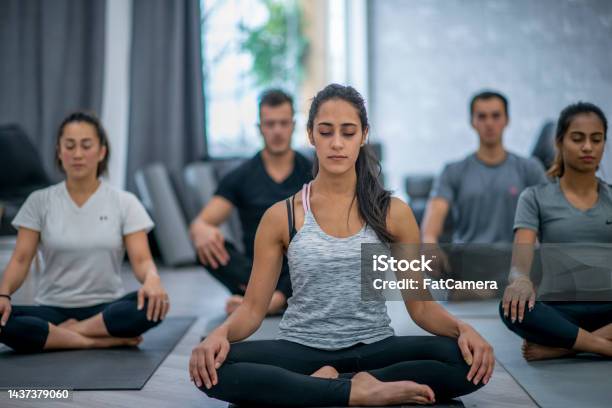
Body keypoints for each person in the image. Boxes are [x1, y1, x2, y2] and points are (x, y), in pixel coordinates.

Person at [189, 84, 494, 407]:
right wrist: (219, 335)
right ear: (310, 135)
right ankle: (357, 391)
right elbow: (252, 309)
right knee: (214, 367)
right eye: (326, 132)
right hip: (302, 348)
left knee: (464, 359)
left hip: (375, 347)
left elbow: (420, 307)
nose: (337, 143)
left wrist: (463, 329)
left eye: (348, 133)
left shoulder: (394, 213)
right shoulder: (281, 217)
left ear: (363, 135)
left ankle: (323, 387)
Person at [0, 112, 168, 353]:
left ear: (101, 152)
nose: (77, 154)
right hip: (52, 308)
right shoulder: (39, 201)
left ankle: (61, 337)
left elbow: (142, 260)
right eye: (70, 146)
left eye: (86, 145)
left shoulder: (124, 202)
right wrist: (3, 294)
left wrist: (153, 280)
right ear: (59, 151)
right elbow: (20, 259)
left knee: (155, 304)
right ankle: (94, 340)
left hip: (107, 309)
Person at [500, 102, 612, 361]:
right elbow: (520, 261)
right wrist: (521, 280)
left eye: (596, 139)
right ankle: (603, 345)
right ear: (560, 142)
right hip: (560, 309)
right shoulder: (535, 197)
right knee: (511, 308)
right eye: (577, 138)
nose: (587, 147)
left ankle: (567, 346)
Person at [189, 89, 311, 315]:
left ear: (293, 126)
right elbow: (201, 223)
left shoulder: (312, 173)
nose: (277, 131)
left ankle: (265, 298)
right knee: (206, 249)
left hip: (300, 266)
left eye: (283, 123)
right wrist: (201, 231)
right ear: (259, 128)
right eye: (270, 124)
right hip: (256, 269)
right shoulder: (241, 176)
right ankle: (269, 298)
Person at [422, 90, 547, 245]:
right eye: (482, 116)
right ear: (472, 122)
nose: (489, 123)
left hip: (516, 262)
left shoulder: (529, 169)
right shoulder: (453, 171)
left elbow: (549, 219)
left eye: (496, 116)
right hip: (466, 261)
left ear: (507, 120)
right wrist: (429, 244)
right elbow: (431, 226)